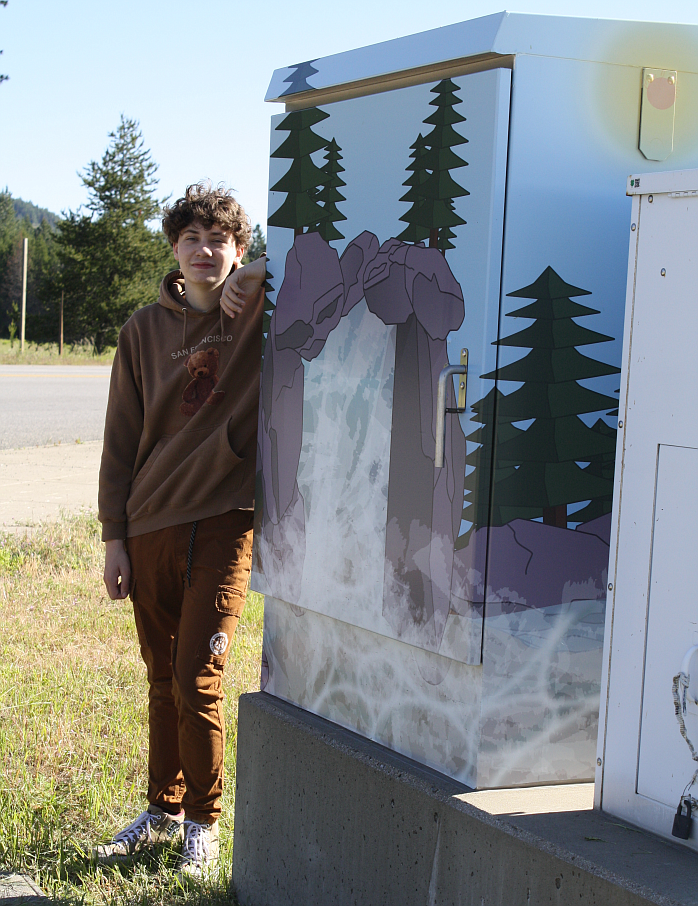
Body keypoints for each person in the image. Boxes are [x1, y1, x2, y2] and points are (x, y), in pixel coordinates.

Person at [93, 182, 267, 881]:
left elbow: (319, 255)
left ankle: (203, 826)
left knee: (199, 678)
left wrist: (255, 277)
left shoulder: (260, 311)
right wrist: (114, 536)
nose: (204, 251)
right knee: (162, 679)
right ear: (173, 248)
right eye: (191, 239)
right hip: (150, 526)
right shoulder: (142, 331)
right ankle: (161, 812)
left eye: (219, 241)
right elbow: (119, 439)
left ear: (238, 249)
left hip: (226, 523)